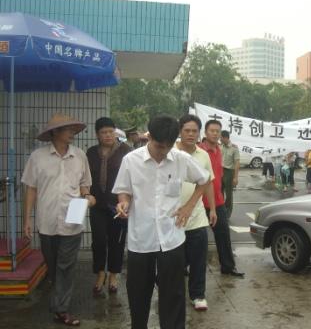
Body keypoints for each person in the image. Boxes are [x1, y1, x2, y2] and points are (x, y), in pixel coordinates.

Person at [112, 115, 210, 329]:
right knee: (138, 293)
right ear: (150, 137)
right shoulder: (131, 160)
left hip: (171, 236)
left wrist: (188, 206)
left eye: (167, 147)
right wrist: (123, 203)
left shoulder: (180, 159)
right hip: (141, 238)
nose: (162, 151)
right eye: (158, 146)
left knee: (173, 294)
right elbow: (123, 191)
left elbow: (204, 180)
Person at [22, 113, 95, 326]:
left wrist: (87, 197)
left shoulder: (80, 156)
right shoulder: (37, 157)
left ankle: (61, 309)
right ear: (54, 132)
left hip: (72, 222)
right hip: (47, 222)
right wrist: (26, 220)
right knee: (53, 266)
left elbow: (85, 185)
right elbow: (31, 190)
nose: (71, 132)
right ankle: (59, 299)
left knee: (65, 266)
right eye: (67, 129)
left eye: (73, 129)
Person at [175, 114, 217, 311]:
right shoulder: (170, 152)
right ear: (180, 132)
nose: (191, 134)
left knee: (199, 258)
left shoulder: (203, 155)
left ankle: (198, 295)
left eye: (194, 131)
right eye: (187, 130)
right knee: (175, 261)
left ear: (199, 133)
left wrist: (213, 209)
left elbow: (207, 182)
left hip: (198, 215)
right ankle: (172, 294)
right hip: (173, 217)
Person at [86, 117, 132, 296]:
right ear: (97, 135)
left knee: (117, 241)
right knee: (98, 241)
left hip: (118, 207)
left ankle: (113, 275)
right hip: (97, 205)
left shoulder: (126, 151)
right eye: (103, 132)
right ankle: (100, 274)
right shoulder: (90, 153)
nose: (108, 135)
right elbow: (85, 177)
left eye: (110, 132)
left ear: (115, 132)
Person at [199, 120, 245, 278]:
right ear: (205, 132)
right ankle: (185, 267)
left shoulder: (219, 149)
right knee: (194, 238)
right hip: (198, 201)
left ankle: (227, 266)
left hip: (217, 201)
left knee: (223, 235)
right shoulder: (198, 150)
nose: (215, 133)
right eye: (212, 130)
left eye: (217, 131)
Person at [220, 130, 240, 219]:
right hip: (221, 171)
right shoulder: (220, 147)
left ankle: (227, 213)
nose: (219, 139)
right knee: (219, 192)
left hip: (229, 172)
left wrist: (235, 177)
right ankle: (220, 210)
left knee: (228, 195)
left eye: (221, 137)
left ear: (225, 138)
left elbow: (237, 163)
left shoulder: (234, 148)